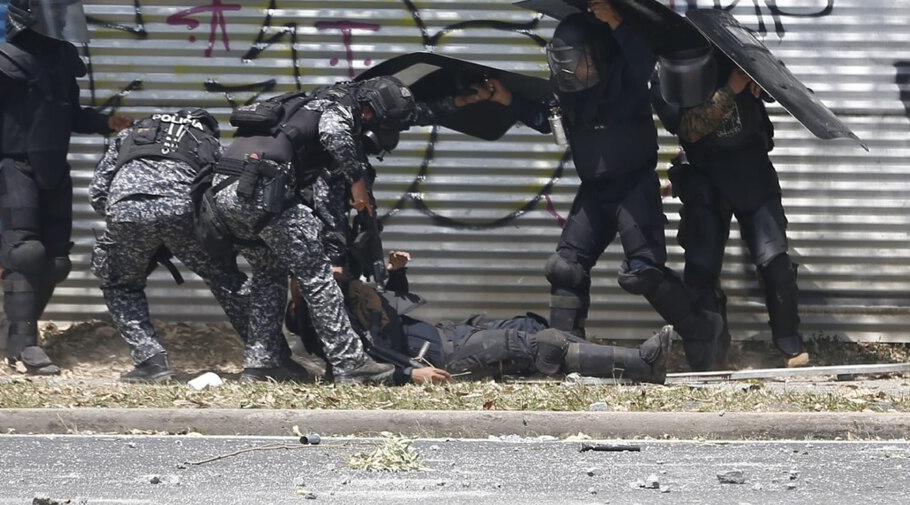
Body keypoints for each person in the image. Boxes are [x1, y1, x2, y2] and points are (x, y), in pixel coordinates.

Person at [479, 0, 724, 371]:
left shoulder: (625, 73)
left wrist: (617, 24)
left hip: (633, 187)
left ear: (597, 54)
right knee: (564, 268)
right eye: (563, 61)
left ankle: (703, 328)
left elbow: (644, 57)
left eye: (577, 59)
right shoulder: (569, 90)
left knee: (643, 273)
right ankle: (562, 352)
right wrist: (507, 97)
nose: (571, 69)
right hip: (594, 191)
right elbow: (548, 119)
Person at [0, 0, 131, 375]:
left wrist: (108, 123)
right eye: (52, 11)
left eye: (62, 10)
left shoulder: (62, 59)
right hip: (14, 167)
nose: (60, 17)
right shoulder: (0, 63)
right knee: (26, 254)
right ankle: (25, 346)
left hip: (54, 167)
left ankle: (12, 330)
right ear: (29, 16)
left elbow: (68, 115)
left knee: (55, 263)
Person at [205, 75, 417, 384]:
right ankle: (350, 363)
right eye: (374, 116)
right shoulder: (337, 105)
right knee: (317, 274)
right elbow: (334, 134)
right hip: (262, 190)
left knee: (268, 273)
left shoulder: (299, 106)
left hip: (225, 192)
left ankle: (262, 363)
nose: (370, 122)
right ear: (368, 107)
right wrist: (357, 183)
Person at [289, 250, 672, 385]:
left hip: (449, 335)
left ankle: (604, 362)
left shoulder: (341, 295)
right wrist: (411, 374)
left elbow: (389, 312)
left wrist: (395, 274)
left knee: (534, 326)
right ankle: (642, 363)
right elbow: (361, 365)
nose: (337, 271)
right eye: (328, 268)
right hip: (442, 358)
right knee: (542, 344)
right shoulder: (325, 321)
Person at [651, 50, 809, 367]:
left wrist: (760, 81)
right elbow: (690, 128)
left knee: (774, 260)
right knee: (702, 266)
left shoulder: (730, 57)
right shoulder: (663, 78)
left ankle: (789, 342)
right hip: (706, 177)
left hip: (752, 172)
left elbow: (783, 86)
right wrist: (732, 89)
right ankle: (712, 349)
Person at [88, 108, 252, 382]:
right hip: (182, 210)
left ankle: (150, 361)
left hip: (127, 210)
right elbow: (223, 192)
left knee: (120, 283)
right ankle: (266, 356)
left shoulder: (130, 134)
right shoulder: (206, 141)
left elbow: (97, 193)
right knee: (227, 280)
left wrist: (132, 231)